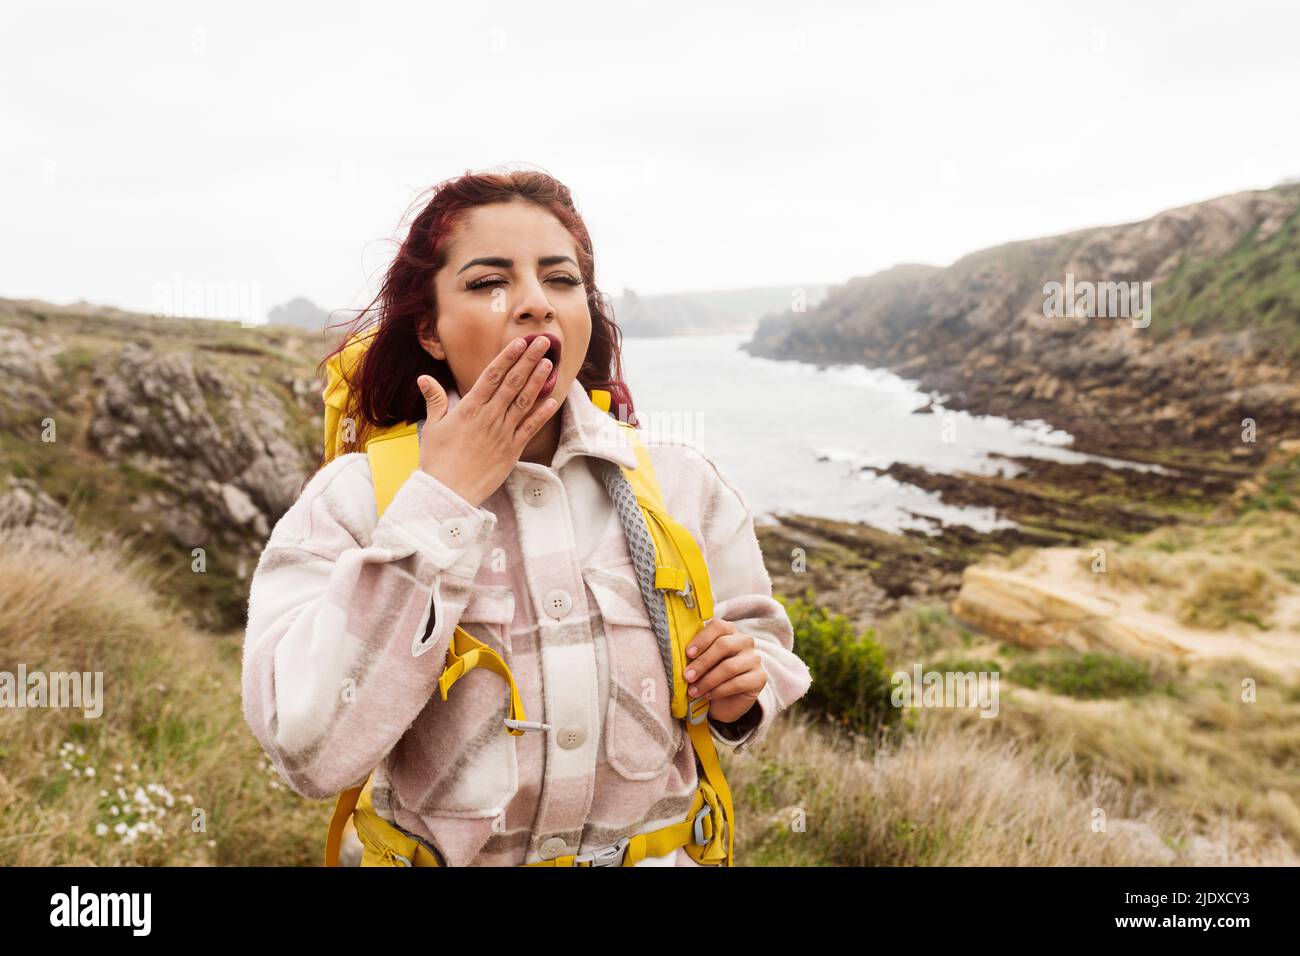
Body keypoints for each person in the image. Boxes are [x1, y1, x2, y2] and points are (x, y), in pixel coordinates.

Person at [241, 168, 813, 866]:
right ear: (429, 330)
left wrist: (743, 691)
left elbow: (760, 635)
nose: (536, 303)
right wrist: (442, 501)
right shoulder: (353, 500)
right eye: (489, 282)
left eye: (561, 280)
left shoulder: (680, 482)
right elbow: (308, 752)